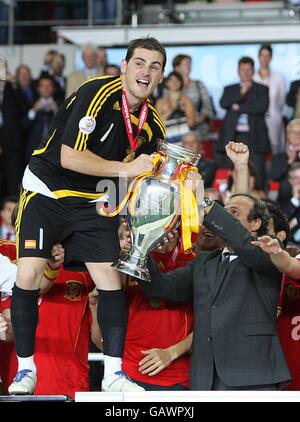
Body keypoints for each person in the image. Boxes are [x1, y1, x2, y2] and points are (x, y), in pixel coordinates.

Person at [8, 36, 167, 395]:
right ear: (125, 66)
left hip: (93, 201)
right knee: (29, 271)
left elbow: (145, 176)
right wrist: (124, 171)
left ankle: (113, 374)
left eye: (155, 66)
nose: (146, 71)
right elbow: (70, 158)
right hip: (47, 189)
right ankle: (25, 370)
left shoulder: (153, 125)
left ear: (160, 77)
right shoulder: (96, 92)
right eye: (140, 63)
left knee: (112, 280)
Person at [138, 189, 291, 390]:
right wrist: (140, 249)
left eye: (233, 212)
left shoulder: (270, 252)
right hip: (205, 377)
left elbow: (242, 241)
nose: (222, 216)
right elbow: (160, 287)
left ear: (255, 224)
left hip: (252, 374)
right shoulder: (203, 261)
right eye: (222, 211)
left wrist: (205, 201)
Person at [216, 56, 270, 190]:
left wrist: (238, 107)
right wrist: (242, 92)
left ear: (253, 71)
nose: (245, 72)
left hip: (255, 136)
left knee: (258, 173)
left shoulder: (262, 89)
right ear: (238, 71)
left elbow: (261, 107)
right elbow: (224, 103)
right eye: (242, 69)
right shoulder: (230, 89)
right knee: (229, 172)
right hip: (233, 136)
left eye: (248, 69)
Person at [253, 45, 286, 163]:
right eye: (262, 55)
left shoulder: (279, 77)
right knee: (257, 149)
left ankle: (274, 178)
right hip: (256, 119)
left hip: (273, 118)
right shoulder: (252, 77)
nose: (265, 59)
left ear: (271, 58)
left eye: (267, 56)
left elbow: (281, 101)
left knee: (275, 148)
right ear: (258, 57)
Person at [155, 71, 196, 145]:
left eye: (177, 80)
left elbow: (192, 124)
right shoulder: (160, 102)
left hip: (184, 141)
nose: (174, 82)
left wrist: (184, 110)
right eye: (171, 80)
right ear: (167, 82)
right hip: (166, 140)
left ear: (181, 83)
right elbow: (157, 125)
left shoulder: (187, 101)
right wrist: (172, 109)